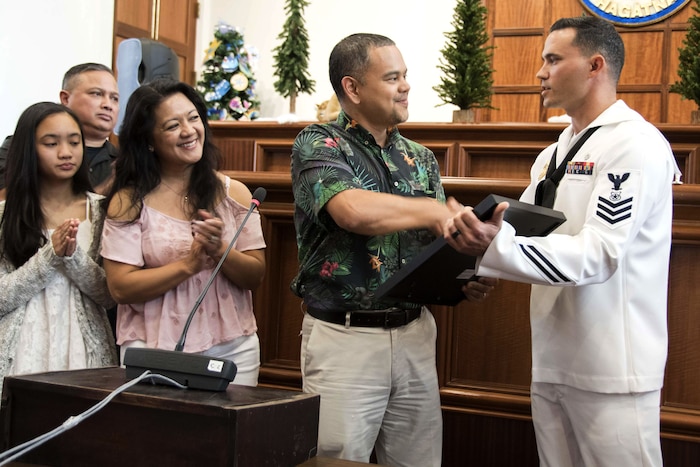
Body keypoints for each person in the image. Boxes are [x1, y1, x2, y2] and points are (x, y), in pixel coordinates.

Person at [445, 17, 681, 467]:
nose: (540, 73)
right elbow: (524, 235)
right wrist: (473, 258)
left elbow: (601, 253)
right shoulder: (554, 151)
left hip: (612, 368)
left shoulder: (635, 145)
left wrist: (496, 247)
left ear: (595, 66)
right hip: (553, 356)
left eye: (553, 59)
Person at [290, 33, 496, 466]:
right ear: (353, 88)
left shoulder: (420, 157)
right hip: (346, 338)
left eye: (405, 76)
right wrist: (431, 210)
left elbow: (436, 241)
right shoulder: (318, 143)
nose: (405, 86)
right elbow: (352, 211)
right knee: (338, 459)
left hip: (415, 334)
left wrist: (469, 269)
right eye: (392, 77)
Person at [100, 79, 266, 387]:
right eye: (172, 125)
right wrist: (187, 266)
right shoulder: (129, 201)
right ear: (149, 140)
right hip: (153, 347)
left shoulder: (236, 194)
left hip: (233, 347)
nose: (189, 131)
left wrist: (220, 251)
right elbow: (121, 288)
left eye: (193, 118)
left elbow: (255, 276)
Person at [0, 102, 118, 394]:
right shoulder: (5, 215)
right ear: (28, 150)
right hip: (20, 353)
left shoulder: (103, 211)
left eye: (74, 142)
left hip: (83, 354)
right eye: (51, 143)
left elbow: (109, 295)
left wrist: (72, 256)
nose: (66, 152)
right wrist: (50, 256)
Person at [0, 62, 120, 197]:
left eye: (114, 98)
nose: (108, 105)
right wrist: (111, 183)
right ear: (65, 98)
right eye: (97, 94)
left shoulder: (121, 161)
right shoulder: (22, 145)